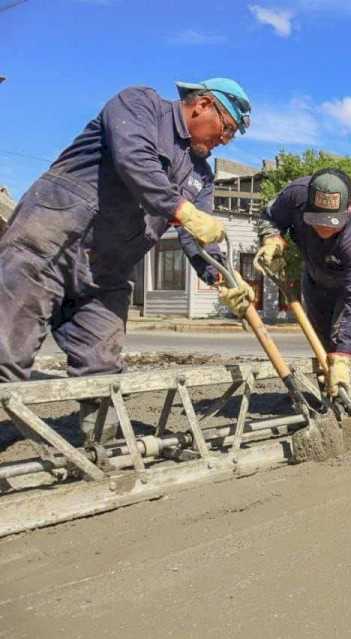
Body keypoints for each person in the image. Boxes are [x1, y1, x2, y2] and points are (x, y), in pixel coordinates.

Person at [0, 78, 253, 443]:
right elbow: (134, 160)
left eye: (231, 136)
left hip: (106, 275)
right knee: (7, 348)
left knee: (103, 367)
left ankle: (99, 453)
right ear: (203, 104)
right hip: (48, 244)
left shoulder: (201, 175)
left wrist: (222, 277)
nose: (224, 140)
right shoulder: (141, 105)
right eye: (226, 128)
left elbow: (197, 237)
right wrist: (180, 209)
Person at [252, 168, 351, 397]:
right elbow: (270, 217)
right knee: (321, 337)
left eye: (332, 222)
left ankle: (349, 400)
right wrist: (271, 239)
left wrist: (344, 355)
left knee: (343, 341)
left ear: (348, 209)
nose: (324, 228)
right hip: (317, 270)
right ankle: (327, 396)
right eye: (318, 220)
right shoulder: (295, 195)